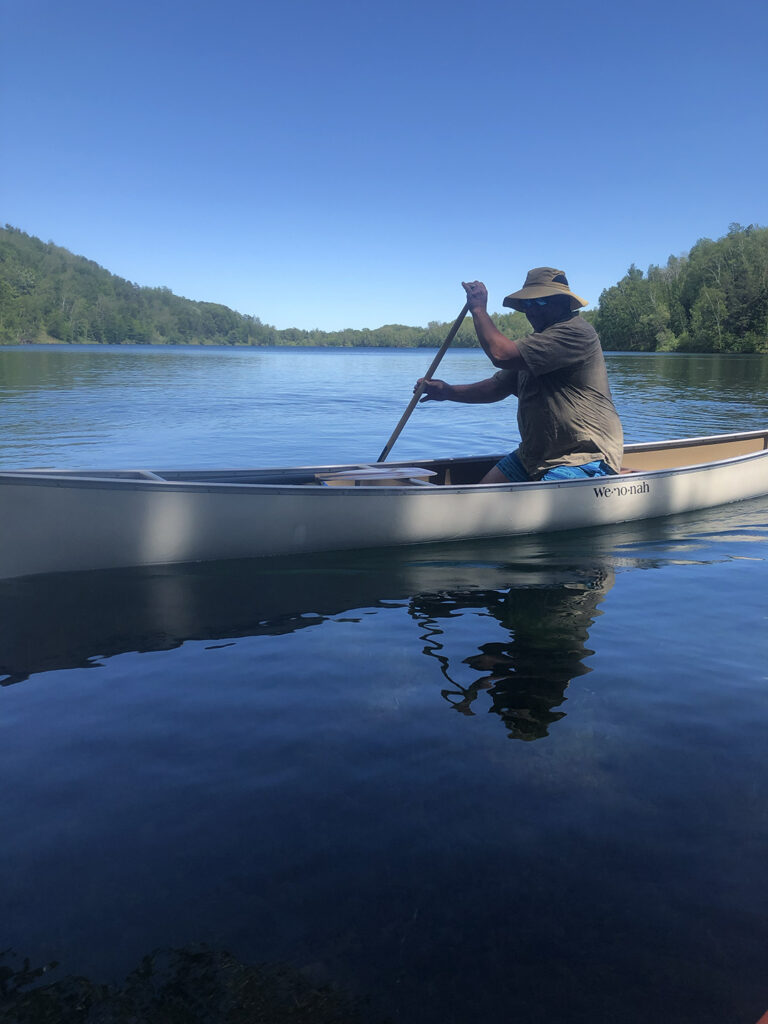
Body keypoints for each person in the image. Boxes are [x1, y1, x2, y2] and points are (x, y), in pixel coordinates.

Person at [416, 267, 624, 484]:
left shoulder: (575, 333)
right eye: (527, 304)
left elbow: (500, 354)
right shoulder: (536, 344)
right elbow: (496, 388)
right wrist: (447, 391)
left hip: (582, 458)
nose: (532, 310)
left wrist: (479, 310)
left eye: (540, 302)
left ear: (563, 303)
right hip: (534, 456)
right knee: (479, 499)